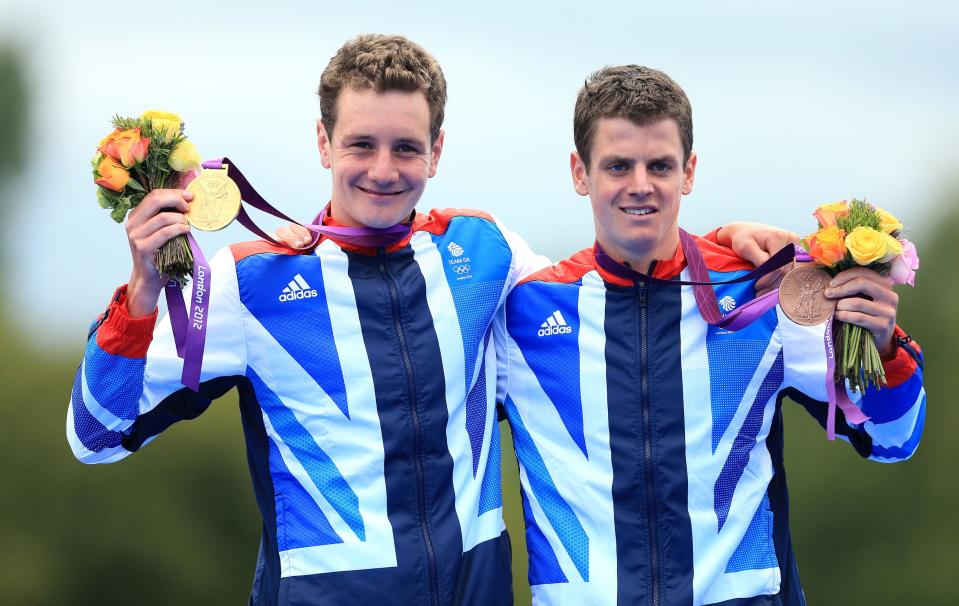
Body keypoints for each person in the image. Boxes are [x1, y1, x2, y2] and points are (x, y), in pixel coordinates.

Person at [68, 35, 795, 605]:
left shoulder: (482, 252)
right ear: (323, 143)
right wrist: (140, 290)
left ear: (436, 152)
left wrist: (722, 239)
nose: (383, 169)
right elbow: (95, 435)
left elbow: (614, 277)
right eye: (361, 144)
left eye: (406, 147)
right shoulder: (247, 282)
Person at [496, 64, 925, 605]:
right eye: (618, 165)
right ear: (580, 172)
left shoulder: (763, 296)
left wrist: (884, 346)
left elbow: (893, 441)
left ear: (689, 171)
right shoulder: (526, 314)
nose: (640, 185)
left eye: (660, 165)